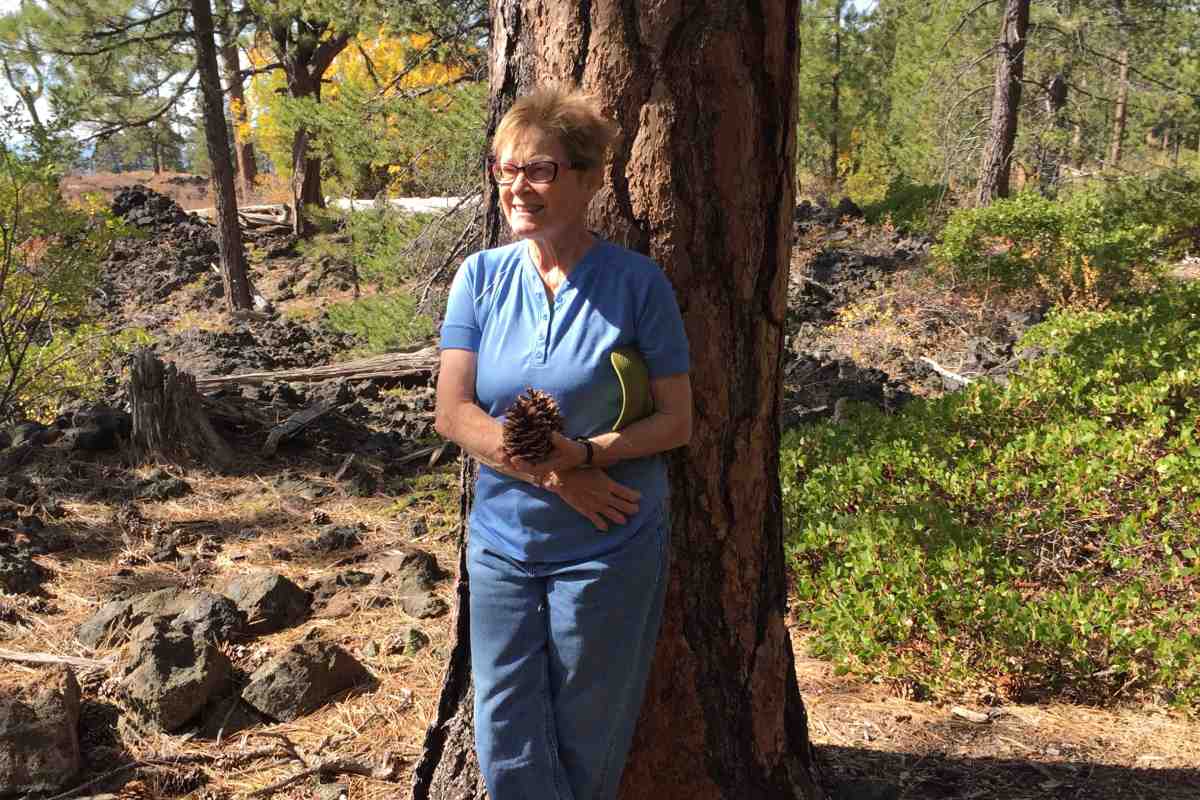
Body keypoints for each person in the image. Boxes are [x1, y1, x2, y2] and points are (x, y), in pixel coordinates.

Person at [434, 86, 692, 800]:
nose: (518, 187)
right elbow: (453, 412)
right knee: (504, 729)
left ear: (589, 178)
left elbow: (678, 421)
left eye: (540, 170)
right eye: (506, 169)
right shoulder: (481, 278)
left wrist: (586, 457)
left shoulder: (638, 285)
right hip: (502, 541)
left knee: (588, 725)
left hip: (610, 537)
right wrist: (555, 475)